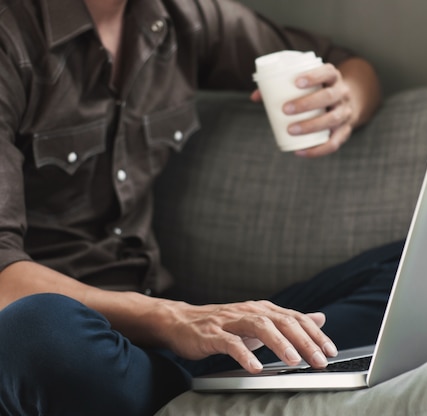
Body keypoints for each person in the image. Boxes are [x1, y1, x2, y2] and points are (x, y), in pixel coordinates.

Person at [0, 0, 398, 415]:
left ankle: (188, 388)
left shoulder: (179, 17)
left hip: (169, 348)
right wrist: (175, 320)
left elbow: (349, 66)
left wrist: (344, 102)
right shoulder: (11, 35)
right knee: (37, 331)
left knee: (421, 264)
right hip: (81, 342)